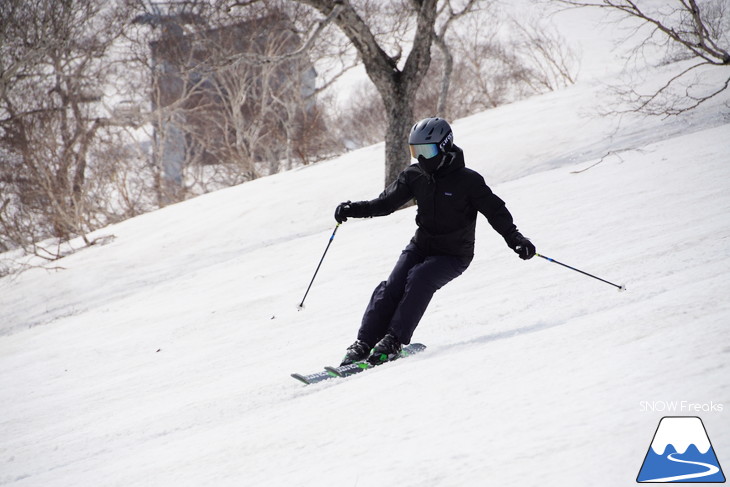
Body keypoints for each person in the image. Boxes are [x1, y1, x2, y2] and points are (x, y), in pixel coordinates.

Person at [334, 117, 536, 366]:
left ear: (444, 147)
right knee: (392, 286)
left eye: (426, 151)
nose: (421, 158)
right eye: (415, 151)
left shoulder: (468, 181)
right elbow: (385, 204)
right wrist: (352, 209)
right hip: (420, 246)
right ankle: (364, 342)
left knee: (420, 279)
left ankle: (393, 340)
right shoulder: (414, 176)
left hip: (453, 255)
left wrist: (515, 238)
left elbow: (495, 211)